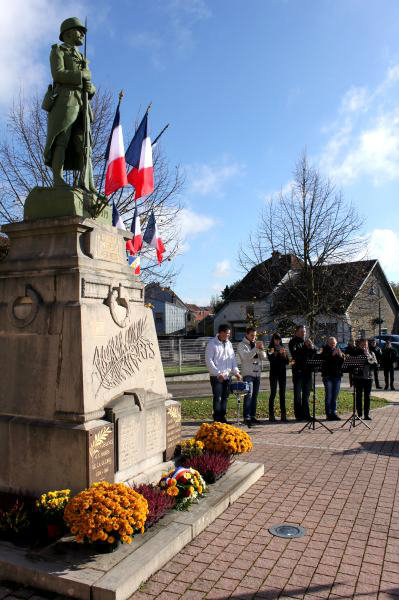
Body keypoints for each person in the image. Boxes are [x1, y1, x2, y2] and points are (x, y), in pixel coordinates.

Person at [43, 17, 97, 192]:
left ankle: (86, 183)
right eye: (78, 30)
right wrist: (80, 77)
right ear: (67, 33)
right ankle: (58, 180)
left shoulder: (82, 57)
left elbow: (89, 83)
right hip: (65, 100)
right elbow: (58, 74)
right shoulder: (58, 50)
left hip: (82, 102)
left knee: (83, 144)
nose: (82, 34)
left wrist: (91, 88)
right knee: (61, 139)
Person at [205, 324, 241, 423]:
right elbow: (209, 361)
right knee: (218, 397)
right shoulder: (212, 344)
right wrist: (217, 373)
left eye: (229, 334)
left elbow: (232, 359)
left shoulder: (229, 343)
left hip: (227, 376)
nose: (228, 336)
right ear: (221, 332)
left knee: (225, 397)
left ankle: (223, 417)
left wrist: (236, 372)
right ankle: (217, 418)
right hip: (216, 377)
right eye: (227, 333)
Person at [237, 328, 266, 428]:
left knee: (255, 396)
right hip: (248, 373)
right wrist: (255, 348)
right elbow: (246, 357)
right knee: (248, 395)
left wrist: (261, 349)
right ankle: (247, 417)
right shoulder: (242, 345)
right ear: (247, 334)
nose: (254, 338)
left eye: (255, 336)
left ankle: (252, 416)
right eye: (252, 336)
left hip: (257, 374)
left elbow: (264, 357)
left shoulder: (256, 344)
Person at [289, 325, 316, 420]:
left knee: (306, 394)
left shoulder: (307, 342)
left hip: (307, 371)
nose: (303, 333)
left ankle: (306, 414)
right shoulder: (293, 342)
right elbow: (295, 354)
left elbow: (314, 353)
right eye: (301, 331)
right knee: (297, 395)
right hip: (298, 372)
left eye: (304, 331)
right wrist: (305, 347)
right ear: (296, 332)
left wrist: (312, 347)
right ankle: (299, 415)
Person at [353, 339, 378, 420]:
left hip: (368, 378)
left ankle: (366, 415)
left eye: (366, 344)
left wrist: (368, 355)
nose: (364, 346)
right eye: (362, 344)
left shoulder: (371, 353)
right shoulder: (356, 353)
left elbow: (375, 365)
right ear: (359, 345)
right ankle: (359, 414)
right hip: (358, 378)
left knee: (367, 397)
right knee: (359, 396)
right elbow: (351, 364)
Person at [267, 333, 289, 422]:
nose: (278, 341)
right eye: (276, 339)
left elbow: (287, 362)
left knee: (282, 394)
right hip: (274, 373)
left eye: (279, 339)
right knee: (273, 393)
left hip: (282, 373)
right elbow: (271, 359)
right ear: (273, 339)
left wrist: (284, 354)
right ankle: (271, 415)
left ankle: (283, 415)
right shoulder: (270, 348)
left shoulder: (282, 347)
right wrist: (278, 353)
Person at [321, 337, 344, 420]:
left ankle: (334, 412)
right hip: (328, 376)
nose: (332, 345)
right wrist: (332, 354)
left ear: (336, 343)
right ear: (328, 343)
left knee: (335, 396)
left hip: (337, 376)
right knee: (329, 396)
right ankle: (328, 414)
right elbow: (324, 360)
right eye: (331, 343)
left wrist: (341, 356)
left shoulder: (338, 350)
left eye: (334, 343)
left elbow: (342, 363)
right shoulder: (324, 350)